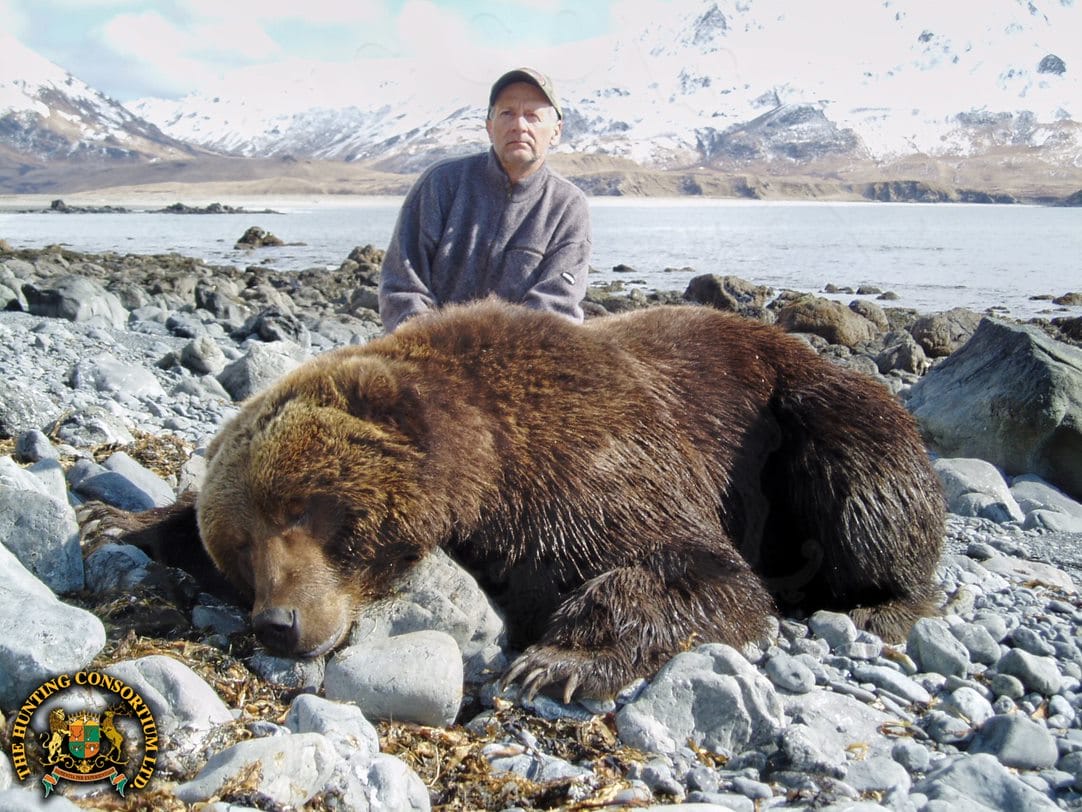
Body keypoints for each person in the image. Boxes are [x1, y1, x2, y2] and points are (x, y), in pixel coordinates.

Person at [378, 67, 591, 332]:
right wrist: (430, 348)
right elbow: (403, 287)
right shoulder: (440, 184)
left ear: (556, 131)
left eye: (532, 116)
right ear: (490, 127)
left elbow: (556, 309)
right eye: (507, 113)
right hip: (429, 354)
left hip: (517, 360)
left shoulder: (568, 206)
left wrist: (495, 362)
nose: (519, 125)